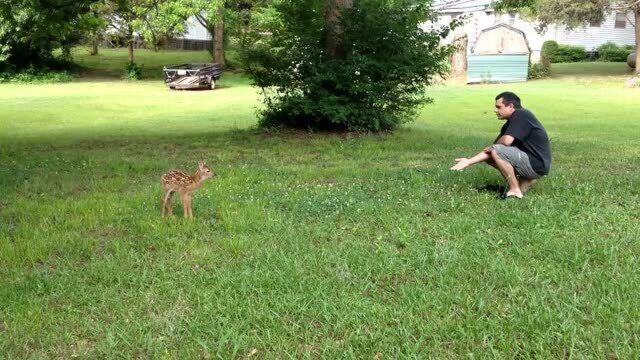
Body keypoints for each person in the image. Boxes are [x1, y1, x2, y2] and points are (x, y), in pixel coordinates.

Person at [450, 92, 551, 199]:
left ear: (511, 106)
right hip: (531, 162)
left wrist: (493, 149)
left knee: (496, 151)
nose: (495, 110)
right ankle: (521, 183)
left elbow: (505, 142)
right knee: (492, 155)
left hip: (537, 164)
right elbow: (491, 150)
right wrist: (468, 161)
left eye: (499, 107)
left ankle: (515, 190)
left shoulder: (521, 114)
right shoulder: (510, 123)